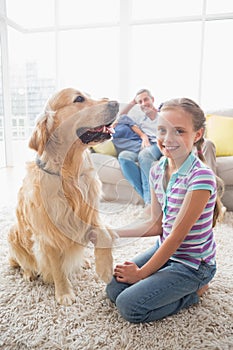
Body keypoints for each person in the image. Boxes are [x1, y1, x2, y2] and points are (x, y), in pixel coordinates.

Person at [106, 97, 224, 324]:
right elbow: (156, 225)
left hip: (193, 265)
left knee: (129, 306)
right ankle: (163, 279)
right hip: (165, 250)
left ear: (197, 135)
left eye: (179, 131)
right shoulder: (157, 170)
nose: (168, 139)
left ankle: (195, 292)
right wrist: (113, 231)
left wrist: (142, 274)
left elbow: (176, 238)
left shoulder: (201, 177)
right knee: (114, 290)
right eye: (162, 130)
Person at [114, 89, 162, 205]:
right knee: (124, 156)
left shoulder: (163, 116)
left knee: (144, 155)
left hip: (158, 145)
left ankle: (149, 204)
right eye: (140, 102)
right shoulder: (140, 120)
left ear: (152, 99)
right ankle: (148, 200)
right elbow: (121, 116)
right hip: (143, 146)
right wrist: (132, 102)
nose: (143, 103)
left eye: (146, 99)